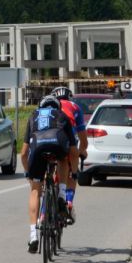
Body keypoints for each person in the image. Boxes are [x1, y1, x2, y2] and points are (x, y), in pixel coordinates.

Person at [20, 95, 78, 254]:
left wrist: (28, 173)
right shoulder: (62, 115)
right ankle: (60, 195)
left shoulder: (34, 116)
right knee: (63, 160)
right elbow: (73, 151)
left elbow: (24, 153)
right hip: (58, 147)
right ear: (57, 107)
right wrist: (75, 172)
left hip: (38, 149)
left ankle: (33, 236)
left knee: (35, 191)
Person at [51, 86, 87, 224]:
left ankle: (44, 192)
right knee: (72, 170)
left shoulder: (47, 107)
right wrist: (82, 151)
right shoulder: (75, 107)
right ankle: (69, 202)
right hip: (66, 141)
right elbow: (83, 139)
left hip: (44, 141)